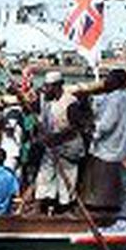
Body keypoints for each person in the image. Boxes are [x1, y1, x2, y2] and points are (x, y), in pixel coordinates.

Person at [34, 71, 85, 214]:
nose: (45, 89)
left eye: (48, 87)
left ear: (57, 86)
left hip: (69, 146)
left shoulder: (70, 102)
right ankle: (43, 204)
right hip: (52, 145)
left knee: (67, 178)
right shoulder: (48, 102)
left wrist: (56, 137)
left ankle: (65, 208)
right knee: (45, 175)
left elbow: (76, 127)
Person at [81, 68, 126, 212]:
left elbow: (106, 124)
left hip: (108, 146)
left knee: (103, 178)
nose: (105, 81)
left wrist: (91, 130)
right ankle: (106, 204)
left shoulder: (116, 99)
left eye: (109, 79)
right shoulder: (117, 97)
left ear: (117, 82)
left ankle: (102, 207)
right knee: (108, 177)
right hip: (113, 145)